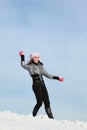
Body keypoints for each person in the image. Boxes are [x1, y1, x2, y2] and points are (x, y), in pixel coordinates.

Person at [19, 51, 64, 119]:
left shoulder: (41, 66)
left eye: (38, 57)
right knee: (40, 102)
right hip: (36, 85)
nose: (37, 58)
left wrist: (58, 78)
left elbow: (48, 75)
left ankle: (51, 118)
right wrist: (22, 56)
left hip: (43, 85)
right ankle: (33, 116)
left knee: (47, 102)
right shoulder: (30, 66)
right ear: (32, 58)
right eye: (35, 57)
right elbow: (23, 65)